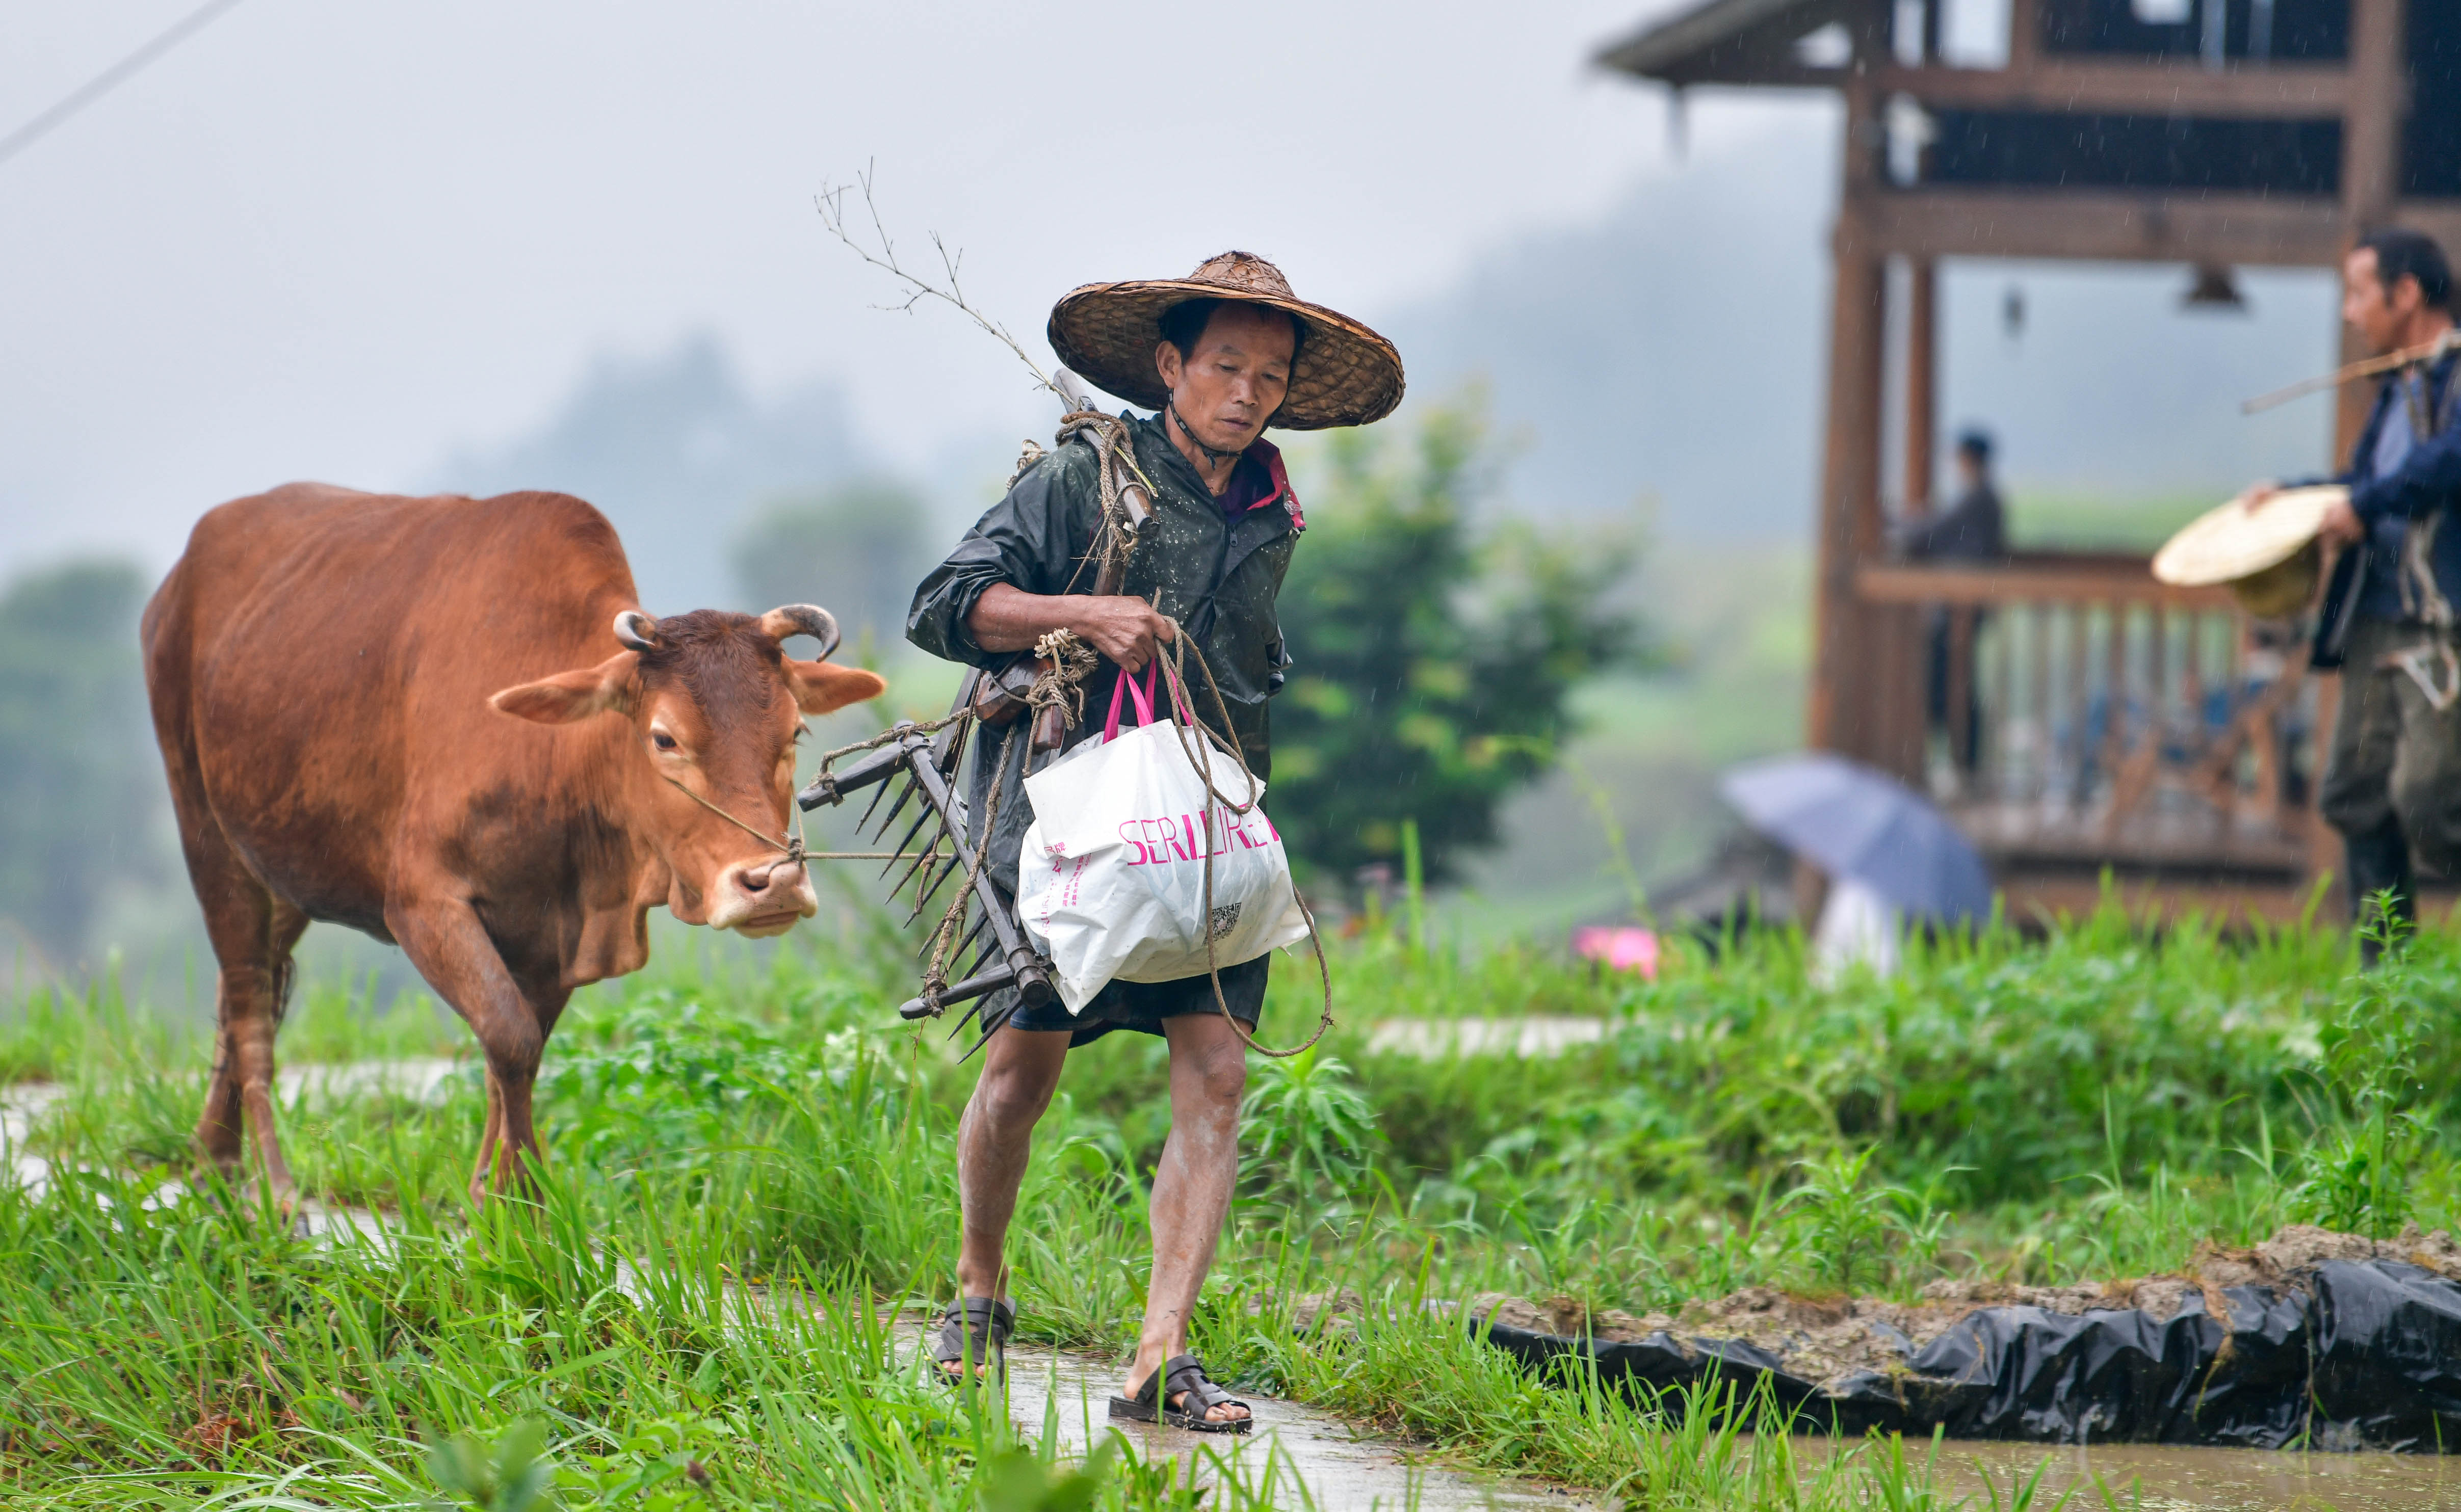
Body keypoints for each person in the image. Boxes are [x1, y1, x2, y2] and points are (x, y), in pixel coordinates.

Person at [904, 252, 1403, 1430]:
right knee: (1024, 1066)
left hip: (1210, 822)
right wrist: (1082, 611)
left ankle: (1155, 1356)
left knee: (1219, 1073)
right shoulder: (1088, 476)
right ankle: (979, 1283)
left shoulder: (1272, 504)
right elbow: (945, 603)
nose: (1245, 390)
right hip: (1065, 816)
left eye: (1268, 374)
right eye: (1223, 364)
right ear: (1169, 366)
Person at [2250, 227, 2461, 944]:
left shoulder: (2457, 378)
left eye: (2359, 292)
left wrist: (2361, 508)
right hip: (2375, 614)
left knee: (2430, 801)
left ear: (2407, 294)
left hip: (2437, 622)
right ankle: (2385, 989)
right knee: (2352, 794)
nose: (2349, 311)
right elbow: (2364, 487)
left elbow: (2443, 464)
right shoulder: (2396, 390)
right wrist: (2294, 498)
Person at [1893, 428, 2007, 772]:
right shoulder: (1983, 497)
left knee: (1951, 681)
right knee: (1955, 680)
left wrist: (1898, 524)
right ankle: (1962, 759)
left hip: (1962, 607)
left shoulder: (1978, 498)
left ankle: (1963, 760)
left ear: (1968, 459)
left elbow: (1936, 530)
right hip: (1963, 607)